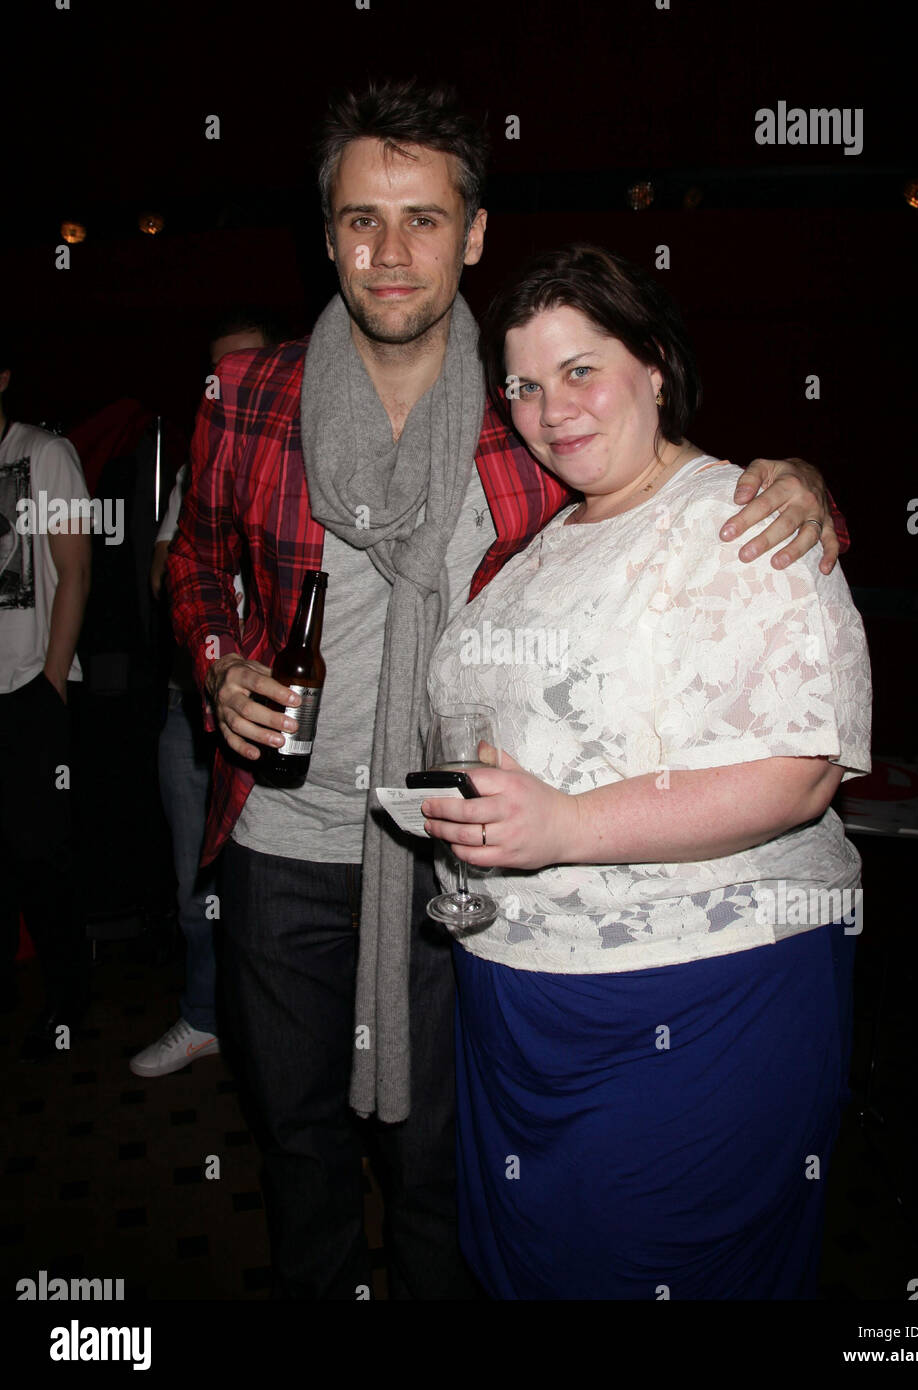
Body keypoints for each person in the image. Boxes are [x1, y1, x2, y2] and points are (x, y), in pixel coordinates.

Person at [166, 80, 846, 1300]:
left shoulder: (523, 402)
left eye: (423, 219)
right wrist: (218, 664)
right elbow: (194, 565)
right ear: (324, 232)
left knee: (439, 1157)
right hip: (280, 840)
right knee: (297, 1141)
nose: (389, 251)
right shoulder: (247, 398)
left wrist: (798, 485)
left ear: (473, 235)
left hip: (454, 856)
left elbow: (667, 486)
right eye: (360, 218)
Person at [419, 244, 872, 1300]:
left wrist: (567, 823)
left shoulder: (743, 518)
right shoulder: (534, 545)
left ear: (654, 366)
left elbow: (799, 771)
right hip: (513, 997)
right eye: (523, 385)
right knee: (532, 1272)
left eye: (580, 370)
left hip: (694, 999)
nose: (548, 407)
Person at [130, 311, 280, 1079]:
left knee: (278, 902)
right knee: (197, 887)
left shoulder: (313, 456)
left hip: (285, 722)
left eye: (249, 372)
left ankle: (270, 1041)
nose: (235, 389)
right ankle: (201, 1017)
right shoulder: (201, 462)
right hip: (191, 713)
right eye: (220, 377)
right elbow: (168, 574)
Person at [0, 348, 92, 1060]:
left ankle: (67, 1005)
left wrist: (51, 683)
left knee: (42, 857)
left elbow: (74, 570)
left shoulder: (42, 453)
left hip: (29, 686)